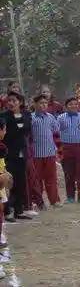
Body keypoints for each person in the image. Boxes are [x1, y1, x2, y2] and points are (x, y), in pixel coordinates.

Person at [0, 92, 32, 221]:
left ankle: (19, 210)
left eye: (14, 100)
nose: (11, 103)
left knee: (20, 182)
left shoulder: (26, 114)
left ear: (20, 102)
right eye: (9, 101)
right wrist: (19, 127)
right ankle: (7, 212)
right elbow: (8, 134)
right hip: (8, 154)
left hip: (21, 153)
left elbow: (27, 129)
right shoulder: (4, 116)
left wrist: (19, 125)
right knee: (8, 183)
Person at [57, 97, 80, 204]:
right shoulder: (61, 118)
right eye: (71, 104)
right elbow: (56, 133)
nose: (73, 106)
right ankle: (70, 197)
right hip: (66, 148)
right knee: (68, 173)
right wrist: (59, 148)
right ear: (66, 106)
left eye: (76, 104)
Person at [30, 95, 62, 209]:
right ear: (35, 104)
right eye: (41, 103)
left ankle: (54, 200)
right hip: (36, 154)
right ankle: (38, 202)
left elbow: (56, 132)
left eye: (45, 103)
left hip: (50, 153)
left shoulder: (50, 117)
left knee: (51, 178)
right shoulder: (31, 118)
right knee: (36, 179)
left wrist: (58, 150)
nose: (44, 105)